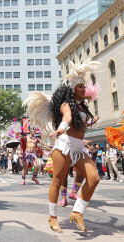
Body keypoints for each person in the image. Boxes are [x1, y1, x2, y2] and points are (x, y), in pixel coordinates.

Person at [23, 59, 102, 233]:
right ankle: (52, 217)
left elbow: (78, 126)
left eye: (84, 86)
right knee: (58, 181)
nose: (84, 89)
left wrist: (88, 127)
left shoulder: (82, 105)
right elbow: (66, 118)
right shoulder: (66, 104)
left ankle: (77, 212)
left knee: (94, 178)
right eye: (80, 86)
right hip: (64, 146)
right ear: (73, 88)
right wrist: (61, 129)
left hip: (79, 148)